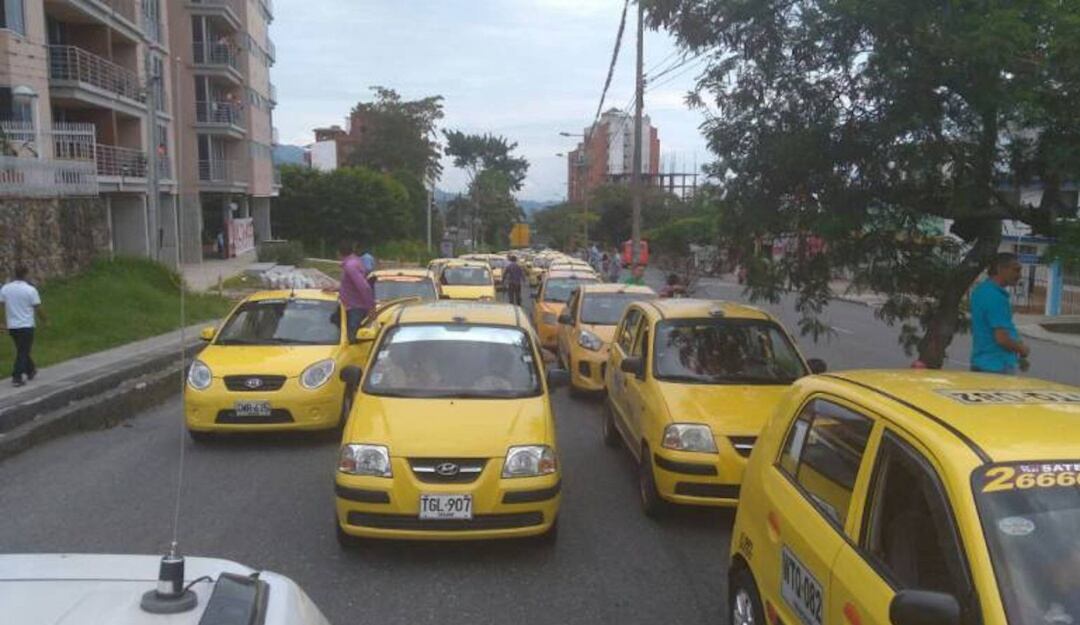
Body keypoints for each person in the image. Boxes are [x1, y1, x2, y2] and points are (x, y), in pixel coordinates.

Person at [970, 252, 1030, 374]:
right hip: (996, 367)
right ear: (1000, 269)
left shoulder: (981, 290)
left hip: (981, 362)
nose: (1019, 275)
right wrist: (1022, 349)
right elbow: (1002, 339)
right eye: (1016, 270)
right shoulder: (996, 297)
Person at [0, 265, 45, 387]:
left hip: (12, 326)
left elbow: (2, 306)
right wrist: (44, 320)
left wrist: (2, 322)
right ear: (25, 274)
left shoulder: (5, 289)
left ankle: (30, 370)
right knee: (23, 351)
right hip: (26, 325)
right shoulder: (30, 290)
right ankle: (17, 376)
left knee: (21, 349)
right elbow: (37, 308)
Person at [324, 243, 374, 343]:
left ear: (339, 253)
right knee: (334, 321)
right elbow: (351, 285)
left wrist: (371, 307)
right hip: (352, 307)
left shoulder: (350, 266)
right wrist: (335, 288)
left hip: (355, 308)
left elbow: (364, 287)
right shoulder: (354, 263)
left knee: (352, 339)